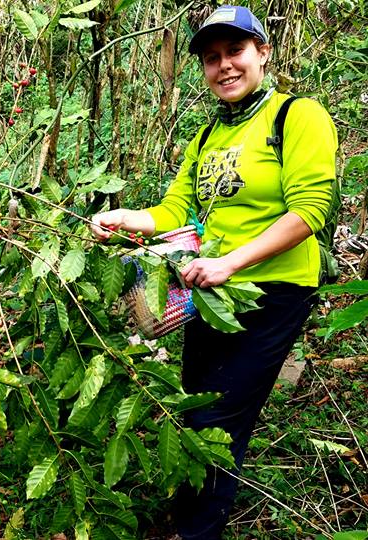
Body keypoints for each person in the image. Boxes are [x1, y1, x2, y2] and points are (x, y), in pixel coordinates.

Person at [90, 6, 337, 539]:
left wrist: (231, 262)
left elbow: (310, 211)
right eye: (211, 58)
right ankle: (189, 515)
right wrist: (121, 218)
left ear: (263, 53)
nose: (224, 66)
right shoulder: (206, 138)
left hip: (273, 289)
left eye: (235, 52)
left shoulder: (297, 116)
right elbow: (173, 211)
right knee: (196, 406)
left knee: (218, 419)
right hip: (209, 290)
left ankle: (196, 531)